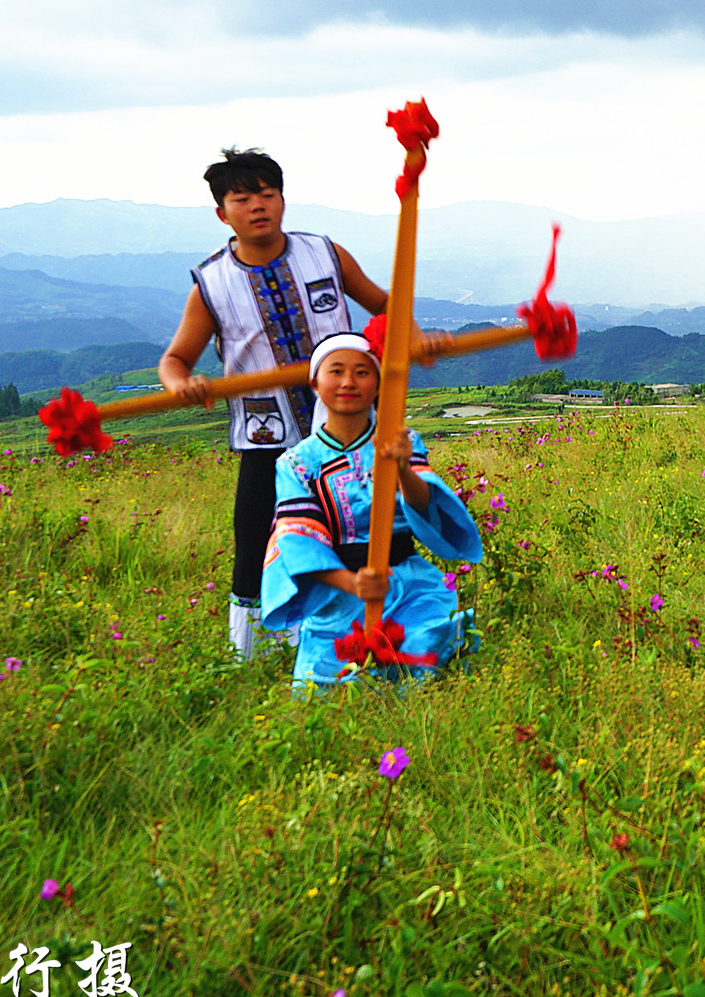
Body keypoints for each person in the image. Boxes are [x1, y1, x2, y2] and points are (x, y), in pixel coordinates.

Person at [157, 149, 388, 661]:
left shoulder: (324, 254)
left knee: (360, 525)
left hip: (348, 426)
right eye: (243, 198)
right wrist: (180, 383)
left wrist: (411, 334)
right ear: (223, 213)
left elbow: (384, 307)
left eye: (268, 194)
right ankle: (257, 652)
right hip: (267, 436)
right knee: (260, 538)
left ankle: (371, 631)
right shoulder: (211, 282)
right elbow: (175, 359)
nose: (258, 206)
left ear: (283, 200)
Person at [262, 331, 484, 688]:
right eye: (336, 371)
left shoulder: (402, 439)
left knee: (430, 655)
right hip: (340, 590)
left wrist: (400, 467)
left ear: (379, 383)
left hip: (408, 582)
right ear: (315, 383)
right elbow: (300, 542)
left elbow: (425, 507)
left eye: (362, 372)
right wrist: (354, 584)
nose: (348, 382)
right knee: (329, 687)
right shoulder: (297, 463)